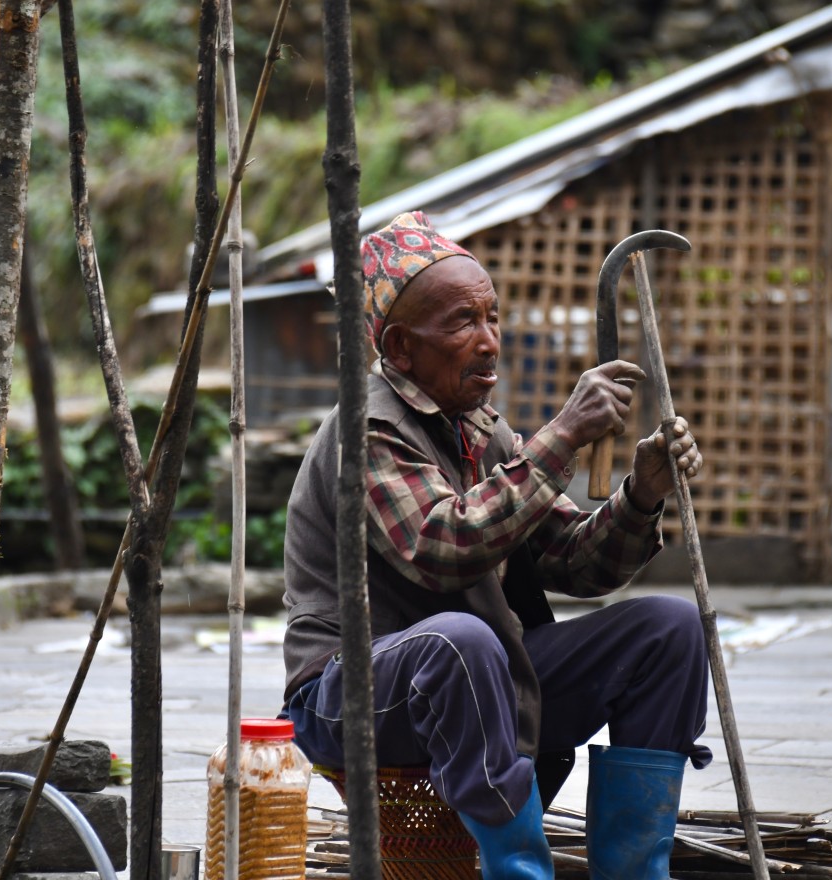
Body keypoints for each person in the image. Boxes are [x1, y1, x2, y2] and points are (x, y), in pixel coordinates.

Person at [280, 211, 711, 880]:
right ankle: (517, 872)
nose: (488, 342)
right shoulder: (365, 429)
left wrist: (642, 494)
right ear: (398, 348)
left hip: (476, 673)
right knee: (461, 638)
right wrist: (564, 435)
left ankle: (633, 871)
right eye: (461, 323)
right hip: (349, 689)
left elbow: (577, 561)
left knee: (669, 628)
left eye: (492, 317)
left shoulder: (482, 431)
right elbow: (443, 544)